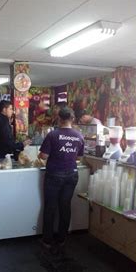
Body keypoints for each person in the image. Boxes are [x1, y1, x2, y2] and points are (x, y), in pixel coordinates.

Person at [38, 107, 84, 252]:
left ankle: (47, 240)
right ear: (72, 119)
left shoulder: (53, 135)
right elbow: (78, 158)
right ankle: (62, 238)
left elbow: (43, 156)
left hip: (55, 174)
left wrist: (41, 155)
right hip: (72, 174)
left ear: (59, 118)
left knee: (50, 207)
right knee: (65, 206)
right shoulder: (79, 136)